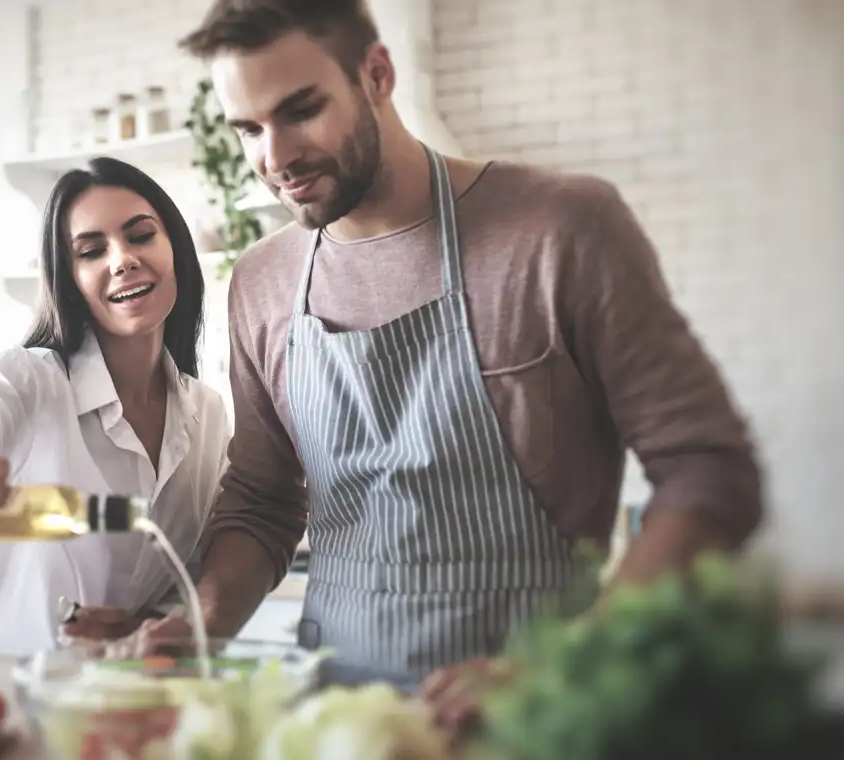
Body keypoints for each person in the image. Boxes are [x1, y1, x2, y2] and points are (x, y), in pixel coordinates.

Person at [121, 0, 764, 735]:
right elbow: (264, 498)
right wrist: (202, 621)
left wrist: (568, 661)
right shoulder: (263, 283)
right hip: (340, 727)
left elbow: (710, 470)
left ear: (378, 74)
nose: (275, 157)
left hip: (541, 720)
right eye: (249, 129)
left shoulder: (562, 230)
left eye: (300, 110)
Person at [0, 156, 231, 658]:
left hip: (119, 702)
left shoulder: (208, 415)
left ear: (177, 251)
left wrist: (148, 623)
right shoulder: (33, 381)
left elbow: (190, 576)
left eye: (140, 235)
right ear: (71, 280)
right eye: (91, 251)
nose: (122, 259)